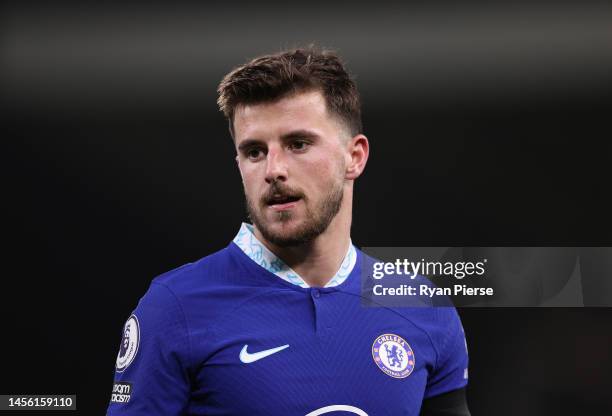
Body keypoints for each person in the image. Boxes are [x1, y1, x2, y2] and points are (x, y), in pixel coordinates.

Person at [107, 47, 470, 416]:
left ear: (354, 157)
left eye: (298, 144)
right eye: (254, 151)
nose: (273, 170)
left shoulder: (424, 308)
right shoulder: (175, 307)